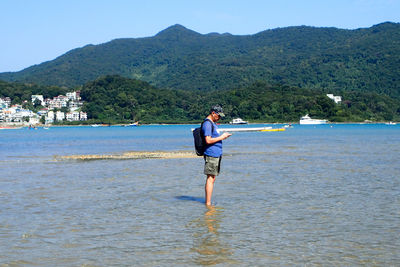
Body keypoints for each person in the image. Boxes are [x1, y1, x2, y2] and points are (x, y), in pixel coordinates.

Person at [202, 105, 232, 206]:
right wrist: (222, 137)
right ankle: (208, 203)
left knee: (212, 178)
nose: (219, 118)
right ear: (213, 113)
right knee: (210, 178)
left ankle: (208, 203)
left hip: (216, 154)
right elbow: (208, 140)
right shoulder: (207, 124)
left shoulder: (212, 124)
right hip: (211, 154)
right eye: (218, 116)